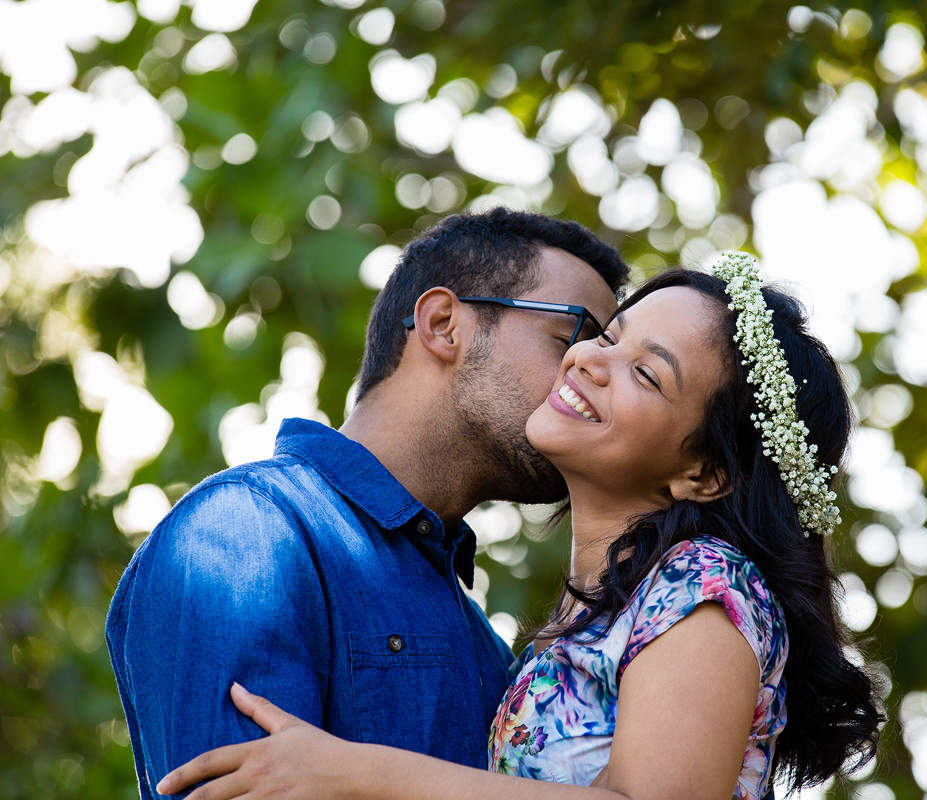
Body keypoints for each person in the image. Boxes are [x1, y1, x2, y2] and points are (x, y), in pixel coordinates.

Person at [155, 254, 882, 800]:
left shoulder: (703, 588)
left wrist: (356, 773)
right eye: (607, 336)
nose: (590, 359)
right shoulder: (581, 625)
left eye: (647, 373)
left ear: (705, 473)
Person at [104, 207, 628, 799]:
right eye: (573, 339)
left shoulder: (484, 644)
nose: (588, 374)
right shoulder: (245, 533)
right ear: (443, 324)